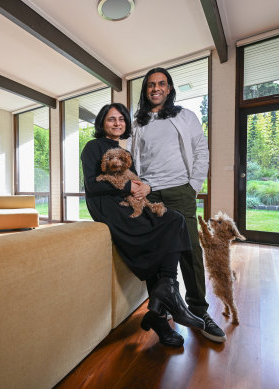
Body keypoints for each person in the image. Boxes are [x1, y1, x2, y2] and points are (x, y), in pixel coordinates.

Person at [81, 103, 204, 348]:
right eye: (111, 119)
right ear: (102, 123)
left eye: (121, 120)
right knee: (162, 232)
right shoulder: (92, 147)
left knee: (175, 219)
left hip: (129, 203)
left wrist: (141, 189)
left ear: (126, 124)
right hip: (109, 208)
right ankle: (162, 309)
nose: (117, 123)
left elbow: (135, 180)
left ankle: (163, 296)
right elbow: (93, 185)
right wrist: (128, 188)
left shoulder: (121, 149)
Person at [127, 67, 226, 343]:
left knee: (190, 251)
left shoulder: (185, 116)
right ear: (146, 91)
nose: (156, 88)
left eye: (161, 83)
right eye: (150, 85)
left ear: (169, 88)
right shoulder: (139, 123)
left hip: (180, 191)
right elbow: (134, 161)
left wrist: (193, 186)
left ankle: (199, 311)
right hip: (150, 195)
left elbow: (200, 150)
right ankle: (162, 312)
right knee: (157, 253)